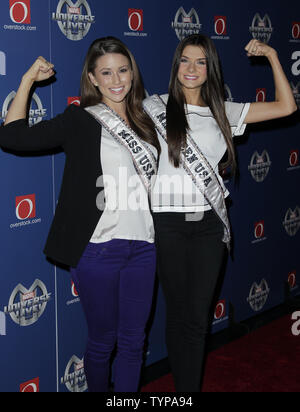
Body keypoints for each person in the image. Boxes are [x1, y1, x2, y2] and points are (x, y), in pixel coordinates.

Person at [0, 37, 161, 392]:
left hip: (144, 247)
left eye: (122, 70)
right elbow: (13, 137)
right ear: (92, 77)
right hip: (98, 248)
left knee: (135, 343)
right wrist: (27, 80)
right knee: (103, 342)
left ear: (132, 73)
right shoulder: (80, 119)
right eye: (106, 72)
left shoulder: (149, 120)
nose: (116, 79)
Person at [143, 34, 297, 392]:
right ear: (175, 65)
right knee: (179, 315)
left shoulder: (223, 109)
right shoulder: (153, 107)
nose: (192, 68)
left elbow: (287, 107)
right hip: (167, 225)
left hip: (210, 227)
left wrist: (273, 56)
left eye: (201, 62)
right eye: (185, 60)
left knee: (197, 320)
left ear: (210, 68)